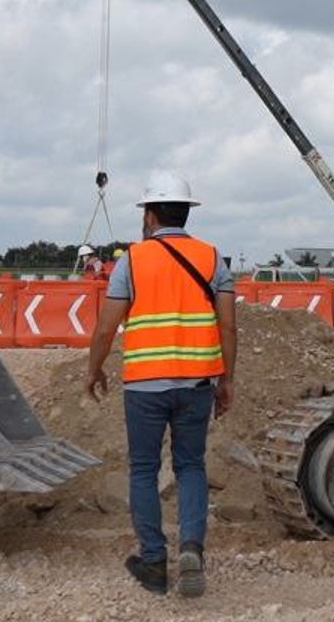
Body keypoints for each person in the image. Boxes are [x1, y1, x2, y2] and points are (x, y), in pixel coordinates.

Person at [85, 171, 237, 598]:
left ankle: (154, 559)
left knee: (144, 470)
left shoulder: (133, 261)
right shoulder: (212, 258)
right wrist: (227, 380)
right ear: (187, 213)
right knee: (191, 466)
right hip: (196, 384)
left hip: (145, 386)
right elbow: (228, 325)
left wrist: (94, 370)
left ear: (150, 214)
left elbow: (105, 328)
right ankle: (192, 548)